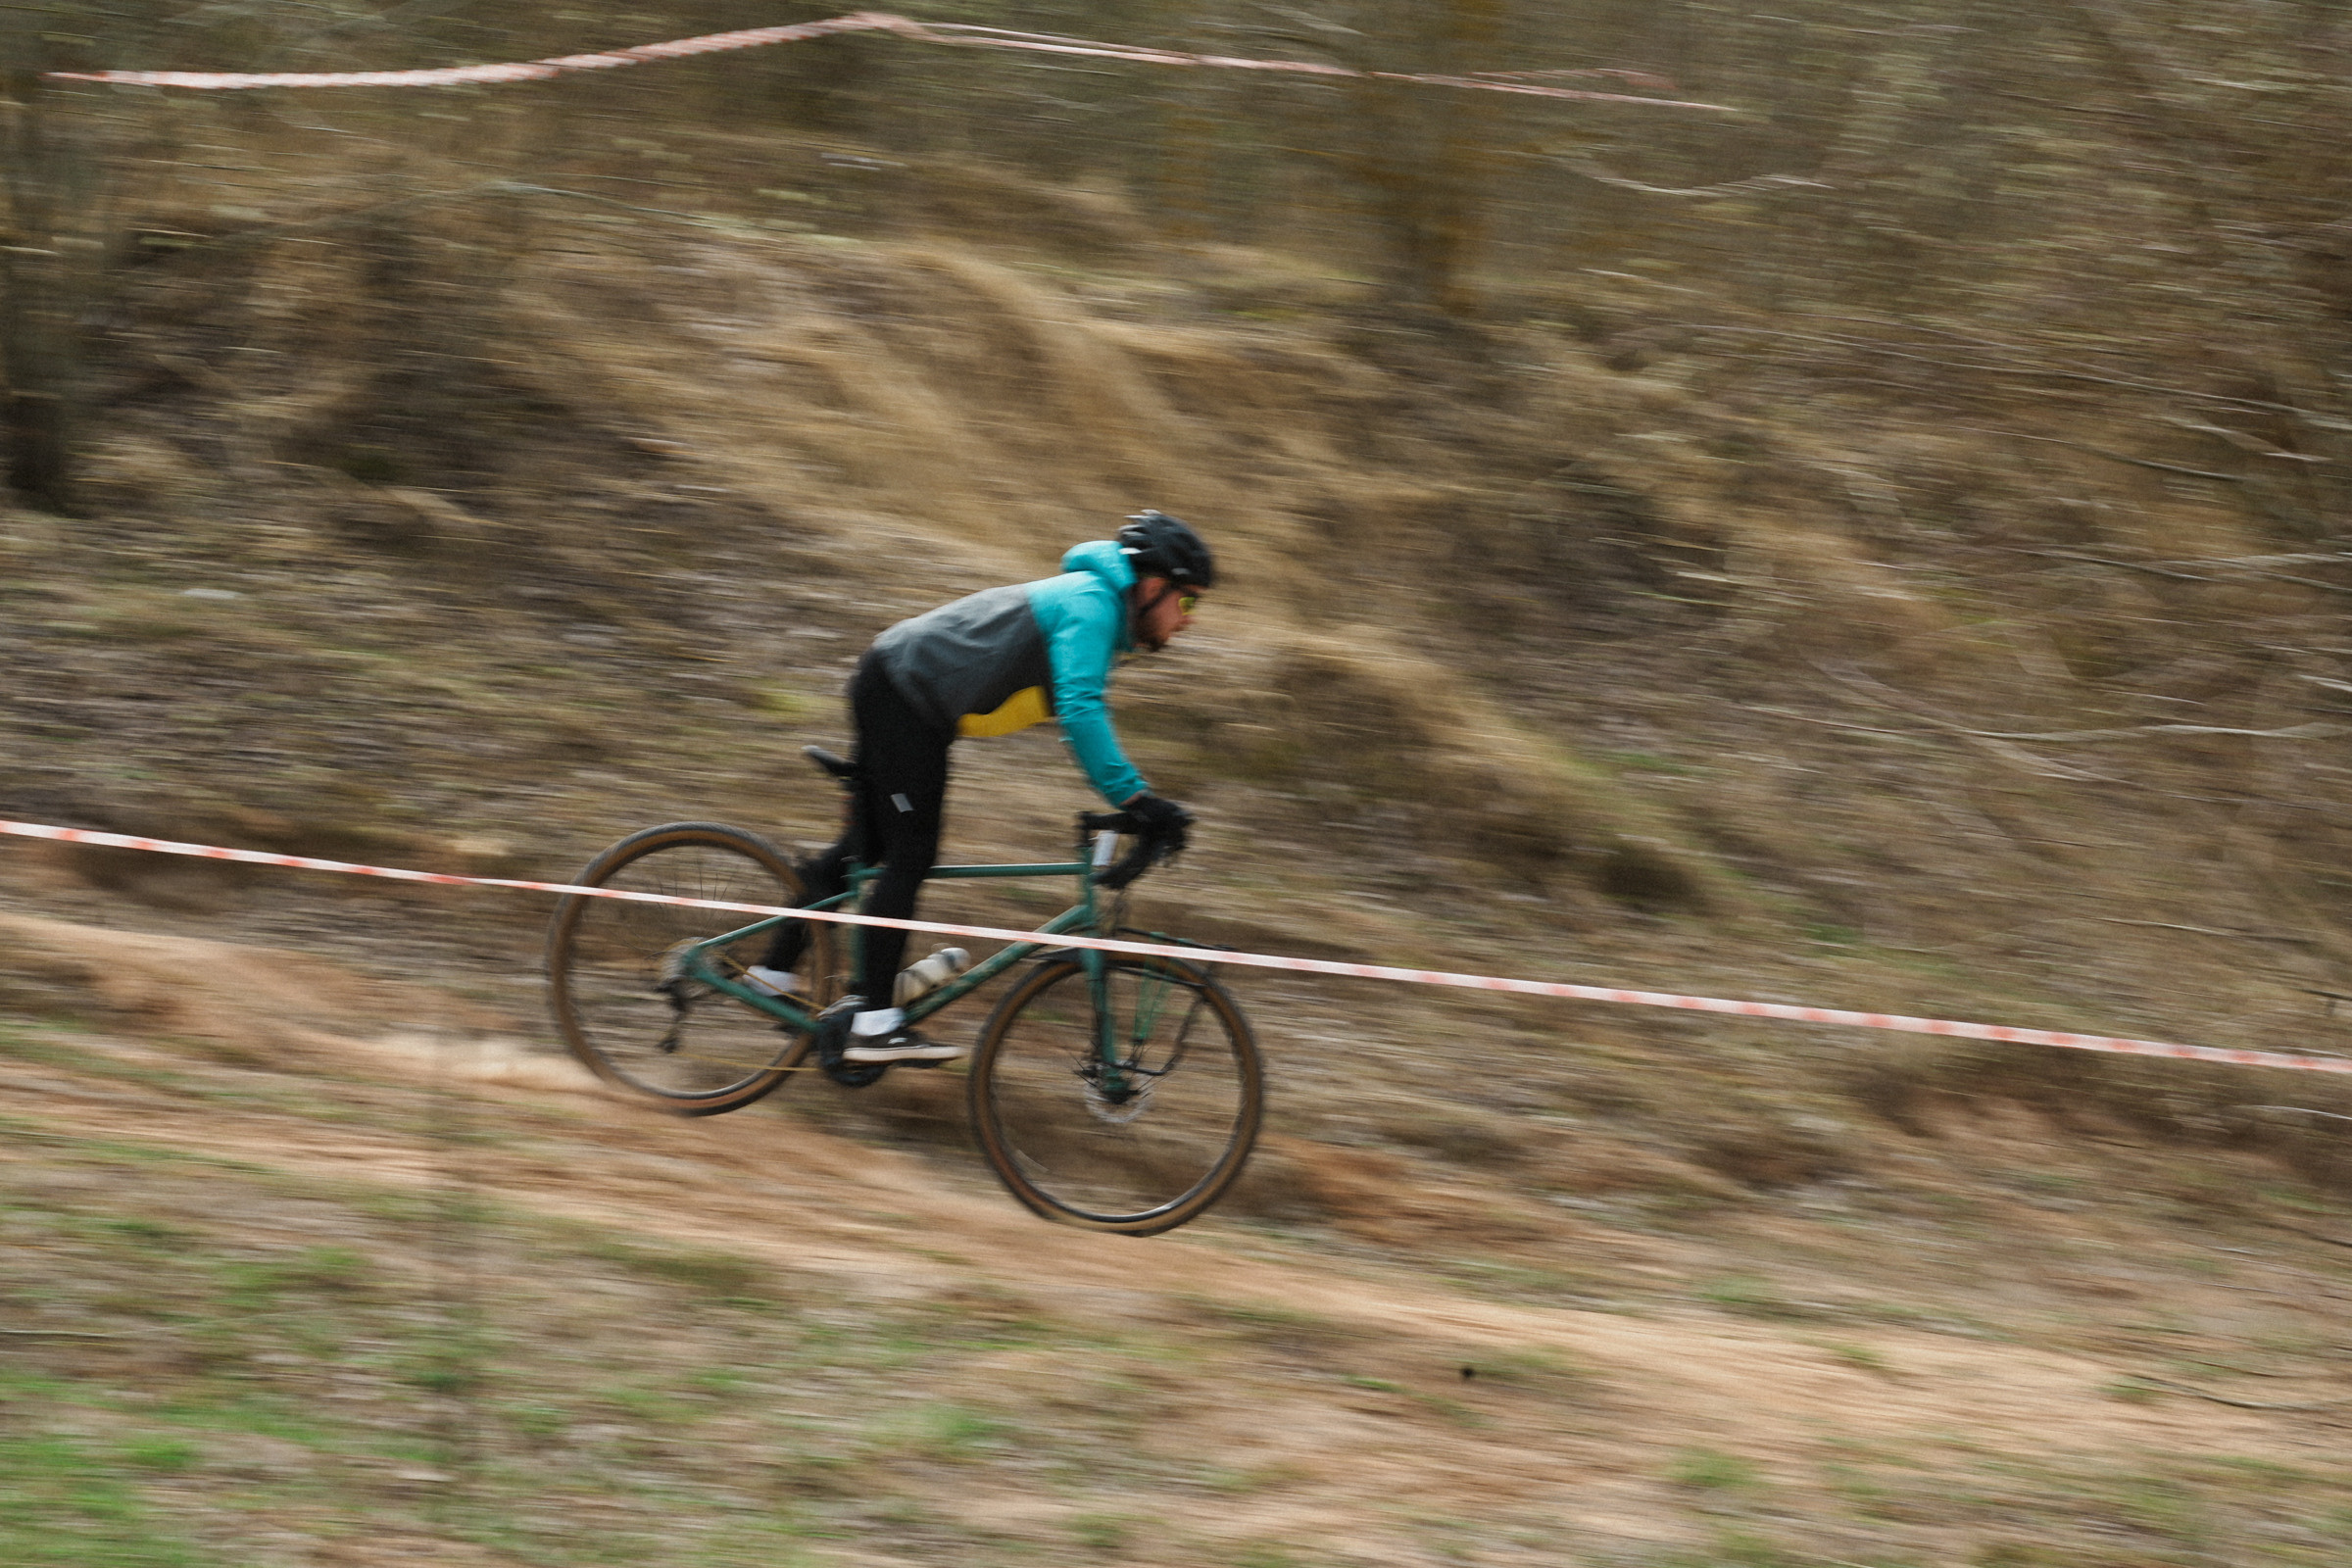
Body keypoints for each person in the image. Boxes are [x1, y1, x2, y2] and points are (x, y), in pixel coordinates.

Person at [750, 511, 1213, 1066]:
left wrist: (1137, 804)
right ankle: (872, 1024)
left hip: (902, 691)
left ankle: (772, 974)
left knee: (865, 850)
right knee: (911, 853)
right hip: (904, 694)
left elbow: (1075, 709)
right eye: (1188, 602)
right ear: (1154, 586)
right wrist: (1137, 800)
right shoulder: (1092, 605)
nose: (1189, 622)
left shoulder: (1099, 610)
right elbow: (1081, 710)